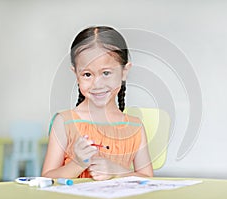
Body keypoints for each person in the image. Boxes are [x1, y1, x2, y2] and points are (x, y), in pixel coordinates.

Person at [41, 26, 153, 181]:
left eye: (106, 73)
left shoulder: (136, 127)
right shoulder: (64, 122)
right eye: (87, 74)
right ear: (76, 74)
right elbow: (46, 178)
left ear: (124, 72)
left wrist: (117, 171)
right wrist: (78, 163)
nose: (97, 84)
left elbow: (148, 178)